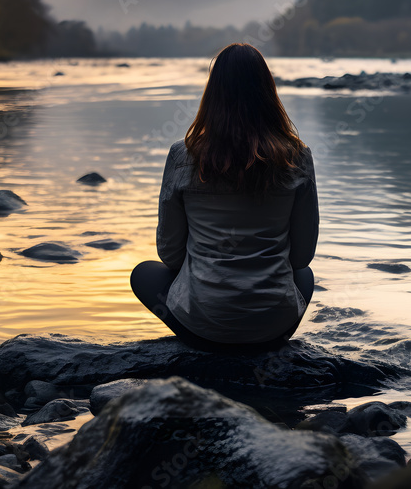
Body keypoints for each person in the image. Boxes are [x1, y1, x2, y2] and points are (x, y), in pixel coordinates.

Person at [130, 43, 318, 352]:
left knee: (144, 274)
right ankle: (258, 334)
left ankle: (210, 332)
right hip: (273, 326)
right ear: (268, 92)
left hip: (202, 325)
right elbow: (301, 258)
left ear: (212, 94)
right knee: (305, 276)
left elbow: (170, 255)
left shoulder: (183, 155)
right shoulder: (297, 156)